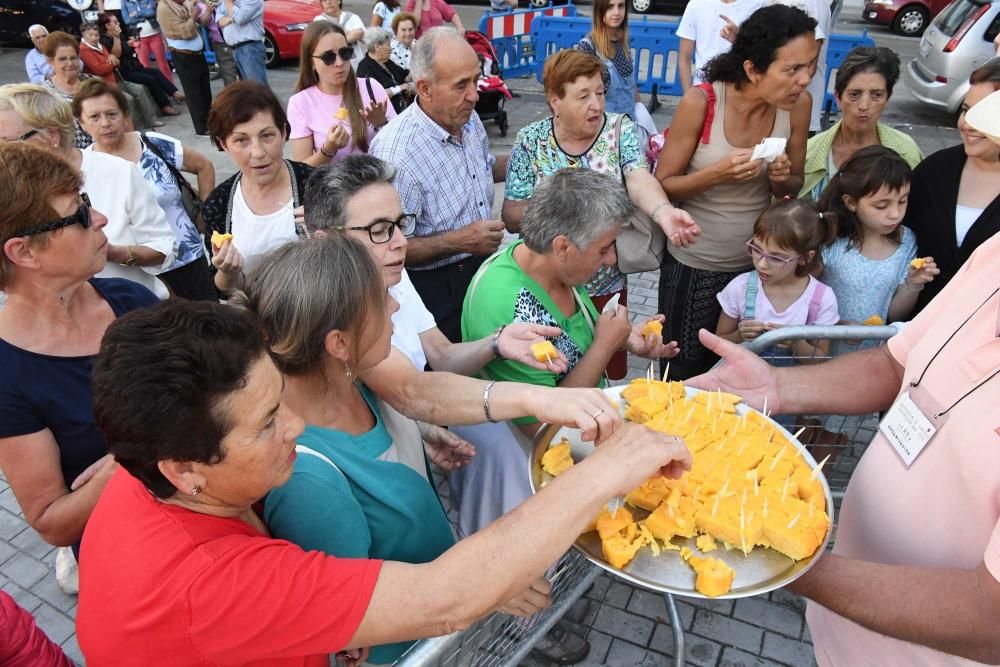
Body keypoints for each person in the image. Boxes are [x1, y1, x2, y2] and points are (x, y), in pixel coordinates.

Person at [77, 296, 692, 665]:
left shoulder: (148, 466)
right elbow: (442, 600)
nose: (295, 426)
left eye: (281, 400)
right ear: (184, 471)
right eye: (267, 424)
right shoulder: (208, 589)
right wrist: (606, 471)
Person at [687, 230, 1000, 665]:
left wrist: (779, 559)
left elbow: (990, 618)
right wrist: (776, 386)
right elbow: (896, 361)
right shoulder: (994, 253)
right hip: (845, 621)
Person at [303, 156, 588, 541]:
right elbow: (411, 390)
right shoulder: (333, 309)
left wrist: (496, 343)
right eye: (379, 230)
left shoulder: (391, 274)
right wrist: (536, 400)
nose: (401, 241)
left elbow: (440, 356)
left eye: (400, 224)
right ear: (326, 240)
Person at [241, 238, 461, 664]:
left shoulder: (358, 384)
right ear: (339, 343)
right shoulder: (309, 482)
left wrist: (414, 437)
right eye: (381, 300)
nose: (395, 307)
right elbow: (353, 618)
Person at [0, 143, 158, 557]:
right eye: (80, 212)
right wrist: (131, 457)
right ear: (24, 252)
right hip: (136, 558)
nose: (100, 218)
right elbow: (53, 521)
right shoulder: (7, 373)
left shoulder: (130, 299)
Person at [503, 49, 699, 378]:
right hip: (548, 285)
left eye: (600, 93)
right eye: (583, 96)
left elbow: (637, 177)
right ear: (555, 101)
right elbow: (511, 214)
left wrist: (663, 212)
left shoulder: (618, 130)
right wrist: (567, 218)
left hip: (605, 281)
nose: (596, 104)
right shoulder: (530, 141)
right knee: (553, 372)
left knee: (604, 369)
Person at [654, 4, 815, 380]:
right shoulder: (703, 101)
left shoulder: (797, 106)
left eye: (810, 66)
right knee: (682, 368)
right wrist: (716, 173)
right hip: (695, 264)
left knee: (740, 374)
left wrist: (781, 178)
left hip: (758, 269)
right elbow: (664, 183)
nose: (805, 79)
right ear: (753, 69)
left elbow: (794, 183)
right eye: (792, 69)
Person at [464, 168, 679, 437]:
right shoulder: (511, 306)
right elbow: (543, 428)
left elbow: (574, 340)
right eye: (603, 249)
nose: (612, 260)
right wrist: (605, 345)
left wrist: (624, 337)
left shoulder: (547, 264)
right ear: (563, 246)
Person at [370, 27, 507, 343]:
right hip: (434, 289)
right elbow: (387, 248)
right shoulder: (397, 154)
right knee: (451, 373)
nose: (474, 94)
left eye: (475, 80)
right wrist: (460, 241)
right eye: (462, 85)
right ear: (425, 88)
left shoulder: (465, 116)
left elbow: (482, 167)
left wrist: (533, 153)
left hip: (480, 269)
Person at [0, 83, 175, 299]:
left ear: (52, 136)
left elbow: (163, 248)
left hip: (132, 315)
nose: (4, 153)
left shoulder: (117, 172)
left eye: (8, 142)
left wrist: (112, 252)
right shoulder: (9, 193)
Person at [75, 79, 218, 301]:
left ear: (125, 116)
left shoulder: (153, 144)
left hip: (185, 257)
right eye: (94, 117)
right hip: (133, 274)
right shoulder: (83, 168)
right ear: (81, 123)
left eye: (112, 114)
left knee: (210, 327)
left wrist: (205, 213)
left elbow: (204, 166)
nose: (105, 123)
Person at [904, 59, 1000, 315]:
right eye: (966, 110)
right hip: (917, 332)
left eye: (982, 114)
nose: (967, 124)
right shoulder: (934, 172)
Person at [817, 146, 937, 345]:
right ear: (851, 202)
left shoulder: (907, 241)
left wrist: (913, 285)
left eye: (902, 201)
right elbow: (804, 298)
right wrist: (838, 327)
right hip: (820, 353)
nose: (895, 214)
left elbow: (894, 315)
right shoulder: (829, 237)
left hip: (873, 356)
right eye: (882, 205)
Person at [202, 82, 313, 287]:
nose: (258, 152)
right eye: (241, 140)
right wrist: (227, 270)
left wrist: (330, 236)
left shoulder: (316, 185)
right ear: (224, 144)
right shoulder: (219, 203)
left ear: (283, 133)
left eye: (267, 136)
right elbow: (222, 289)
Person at [715, 197, 839, 358]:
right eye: (756, 249)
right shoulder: (740, 287)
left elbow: (819, 360)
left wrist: (795, 343)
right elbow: (718, 343)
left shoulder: (821, 299)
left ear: (805, 257)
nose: (762, 264)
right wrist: (739, 336)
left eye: (777, 258)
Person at [800, 46, 922, 200]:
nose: (864, 105)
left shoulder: (906, 152)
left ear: (887, 99)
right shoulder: (810, 154)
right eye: (854, 95)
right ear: (838, 97)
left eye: (876, 95)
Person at [288, 22, 395, 168]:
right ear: (311, 62)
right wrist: (328, 150)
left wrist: (382, 126)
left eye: (345, 53)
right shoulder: (300, 103)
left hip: (376, 185)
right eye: (328, 57)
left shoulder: (371, 87)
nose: (339, 63)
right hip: (334, 189)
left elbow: (398, 146)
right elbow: (301, 170)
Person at [78, 21, 161, 130]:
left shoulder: (101, 45)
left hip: (115, 79)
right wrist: (111, 63)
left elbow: (115, 60)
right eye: (90, 35)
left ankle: (152, 120)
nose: (94, 38)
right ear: (83, 35)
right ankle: (130, 127)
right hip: (103, 84)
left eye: (96, 35)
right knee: (128, 99)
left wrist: (112, 61)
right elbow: (99, 69)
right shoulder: (84, 50)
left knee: (140, 90)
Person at [98, 13, 183, 117]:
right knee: (150, 79)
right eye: (115, 22)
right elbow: (116, 55)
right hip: (123, 71)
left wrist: (131, 44)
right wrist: (116, 38)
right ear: (107, 26)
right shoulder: (105, 39)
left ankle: (175, 93)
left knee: (155, 71)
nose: (118, 24)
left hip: (134, 66)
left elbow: (128, 52)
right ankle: (165, 106)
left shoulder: (120, 35)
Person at [677, 0, 763, 93]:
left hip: (741, 90)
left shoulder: (759, 5)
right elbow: (684, 58)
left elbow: (762, 54)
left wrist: (738, 38)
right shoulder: (696, 5)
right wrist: (689, 96)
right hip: (704, 90)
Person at [157, 0, 214, 136]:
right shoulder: (164, 8)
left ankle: (211, 122)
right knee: (194, 92)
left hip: (198, 54)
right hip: (183, 56)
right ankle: (201, 128)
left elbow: (203, 23)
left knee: (205, 90)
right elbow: (185, 32)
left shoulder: (184, 3)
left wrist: (207, 12)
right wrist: (193, 15)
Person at [577, 0, 638, 118]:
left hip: (628, 123)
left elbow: (630, 84)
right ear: (599, 10)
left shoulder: (624, 41)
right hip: (603, 127)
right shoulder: (588, 46)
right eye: (610, 7)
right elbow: (581, 93)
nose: (617, 12)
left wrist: (640, 106)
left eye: (621, 6)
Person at [41, 32, 98, 148]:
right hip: (73, 157)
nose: (70, 63)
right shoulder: (44, 94)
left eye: (73, 58)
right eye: (62, 59)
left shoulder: (94, 83)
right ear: (50, 61)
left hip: (105, 151)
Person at [357, 27, 414, 114]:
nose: (391, 48)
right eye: (388, 45)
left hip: (405, 110)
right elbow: (374, 95)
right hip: (388, 115)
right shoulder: (364, 68)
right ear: (377, 46)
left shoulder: (387, 62)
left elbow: (406, 77)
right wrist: (400, 88)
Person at [215, 0, 269, 85]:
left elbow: (240, 18)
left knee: (257, 88)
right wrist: (232, 18)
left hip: (250, 48)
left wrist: (229, 3)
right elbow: (219, 20)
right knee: (246, 89)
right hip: (234, 49)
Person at [121, 0, 172, 82]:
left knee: (163, 63)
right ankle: (153, 88)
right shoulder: (124, 1)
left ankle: (171, 86)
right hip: (138, 38)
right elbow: (127, 20)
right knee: (144, 65)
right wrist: (144, 15)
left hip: (155, 35)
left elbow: (151, 12)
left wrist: (136, 14)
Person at [197, 0, 239, 86]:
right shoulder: (200, 5)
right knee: (229, 77)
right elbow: (204, 23)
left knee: (246, 74)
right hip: (221, 44)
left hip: (239, 40)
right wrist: (208, 11)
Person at [314, 0, 367, 67]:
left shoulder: (352, 17)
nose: (328, 2)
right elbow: (324, 42)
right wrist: (350, 34)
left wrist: (336, 40)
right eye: (324, 0)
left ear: (339, 1)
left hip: (356, 64)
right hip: (334, 65)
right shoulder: (319, 21)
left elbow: (361, 34)